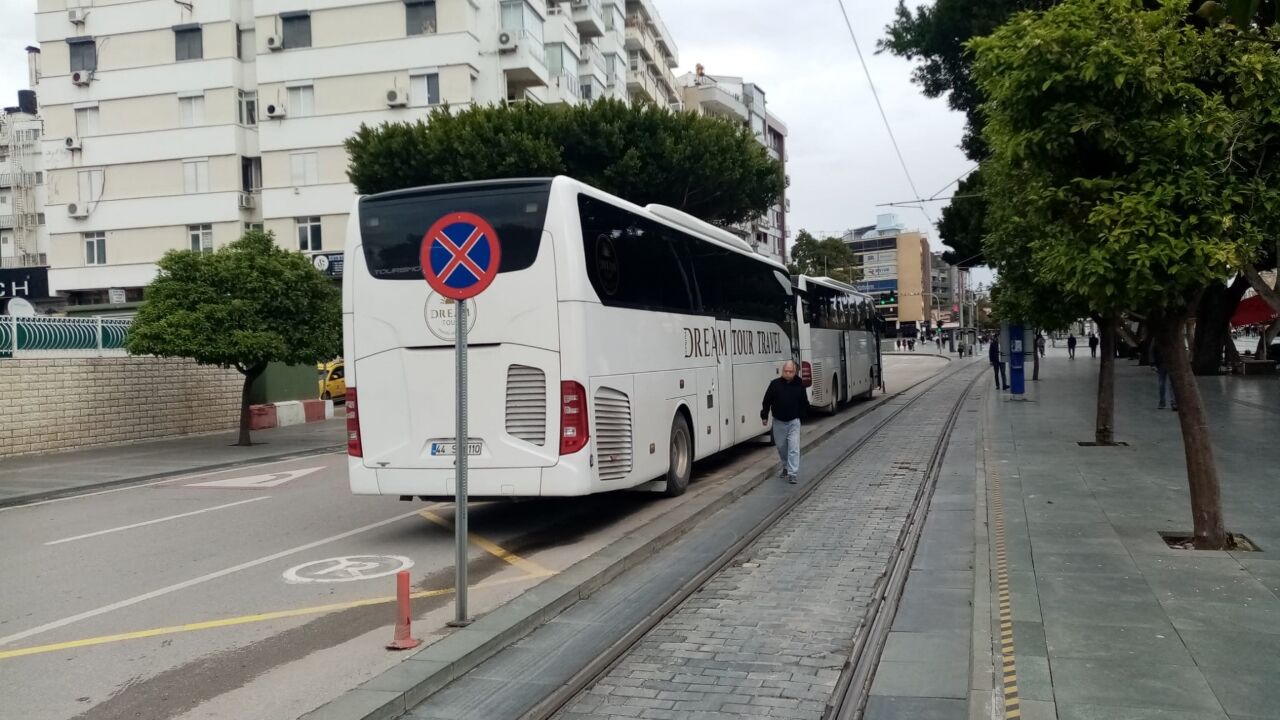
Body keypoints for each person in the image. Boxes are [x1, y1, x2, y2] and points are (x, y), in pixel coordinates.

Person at [761, 360, 807, 484]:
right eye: (785, 371)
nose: (787, 374)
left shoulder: (799, 385)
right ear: (782, 371)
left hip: (793, 421)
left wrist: (802, 416)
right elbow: (766, 401)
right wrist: (764, 416)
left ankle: (793, 473)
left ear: (795, 372)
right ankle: (786, 466)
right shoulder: (775, 384)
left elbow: (804, 403)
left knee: (794, 447)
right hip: (779, 422)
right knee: (781, 446)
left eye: (790, 371)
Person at [1152, 345, 1177, 411]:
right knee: (1169, 383)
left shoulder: (1157, 337)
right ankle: (1172, 403)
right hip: (1167, 362)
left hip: (1163, 363)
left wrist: (1152, 364)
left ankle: (1164, 403)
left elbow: (1152, 350)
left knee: (1164, 383)